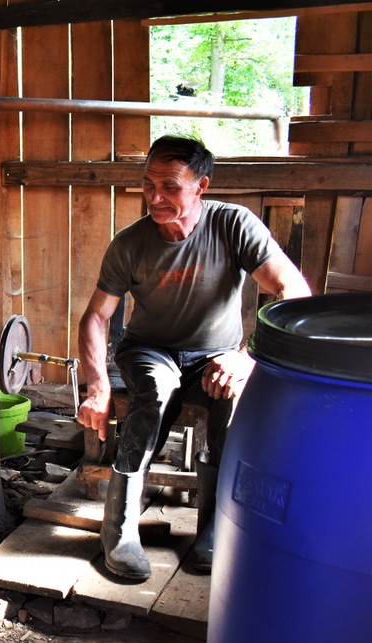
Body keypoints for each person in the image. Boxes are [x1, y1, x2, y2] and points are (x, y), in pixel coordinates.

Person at [76, 135, 310, 582]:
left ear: (201, 186)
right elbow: (95, 317)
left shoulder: (233, 225)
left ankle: (214, 530)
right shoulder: (130, 244)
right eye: (148, 185)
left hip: (217, 354)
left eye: (170, 186)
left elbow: (293, 291)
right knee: (156, 397)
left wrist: (247, 359)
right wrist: (97, 387)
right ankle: (118, 532)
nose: (155, 197)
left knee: (229, 404)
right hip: (151, 350)